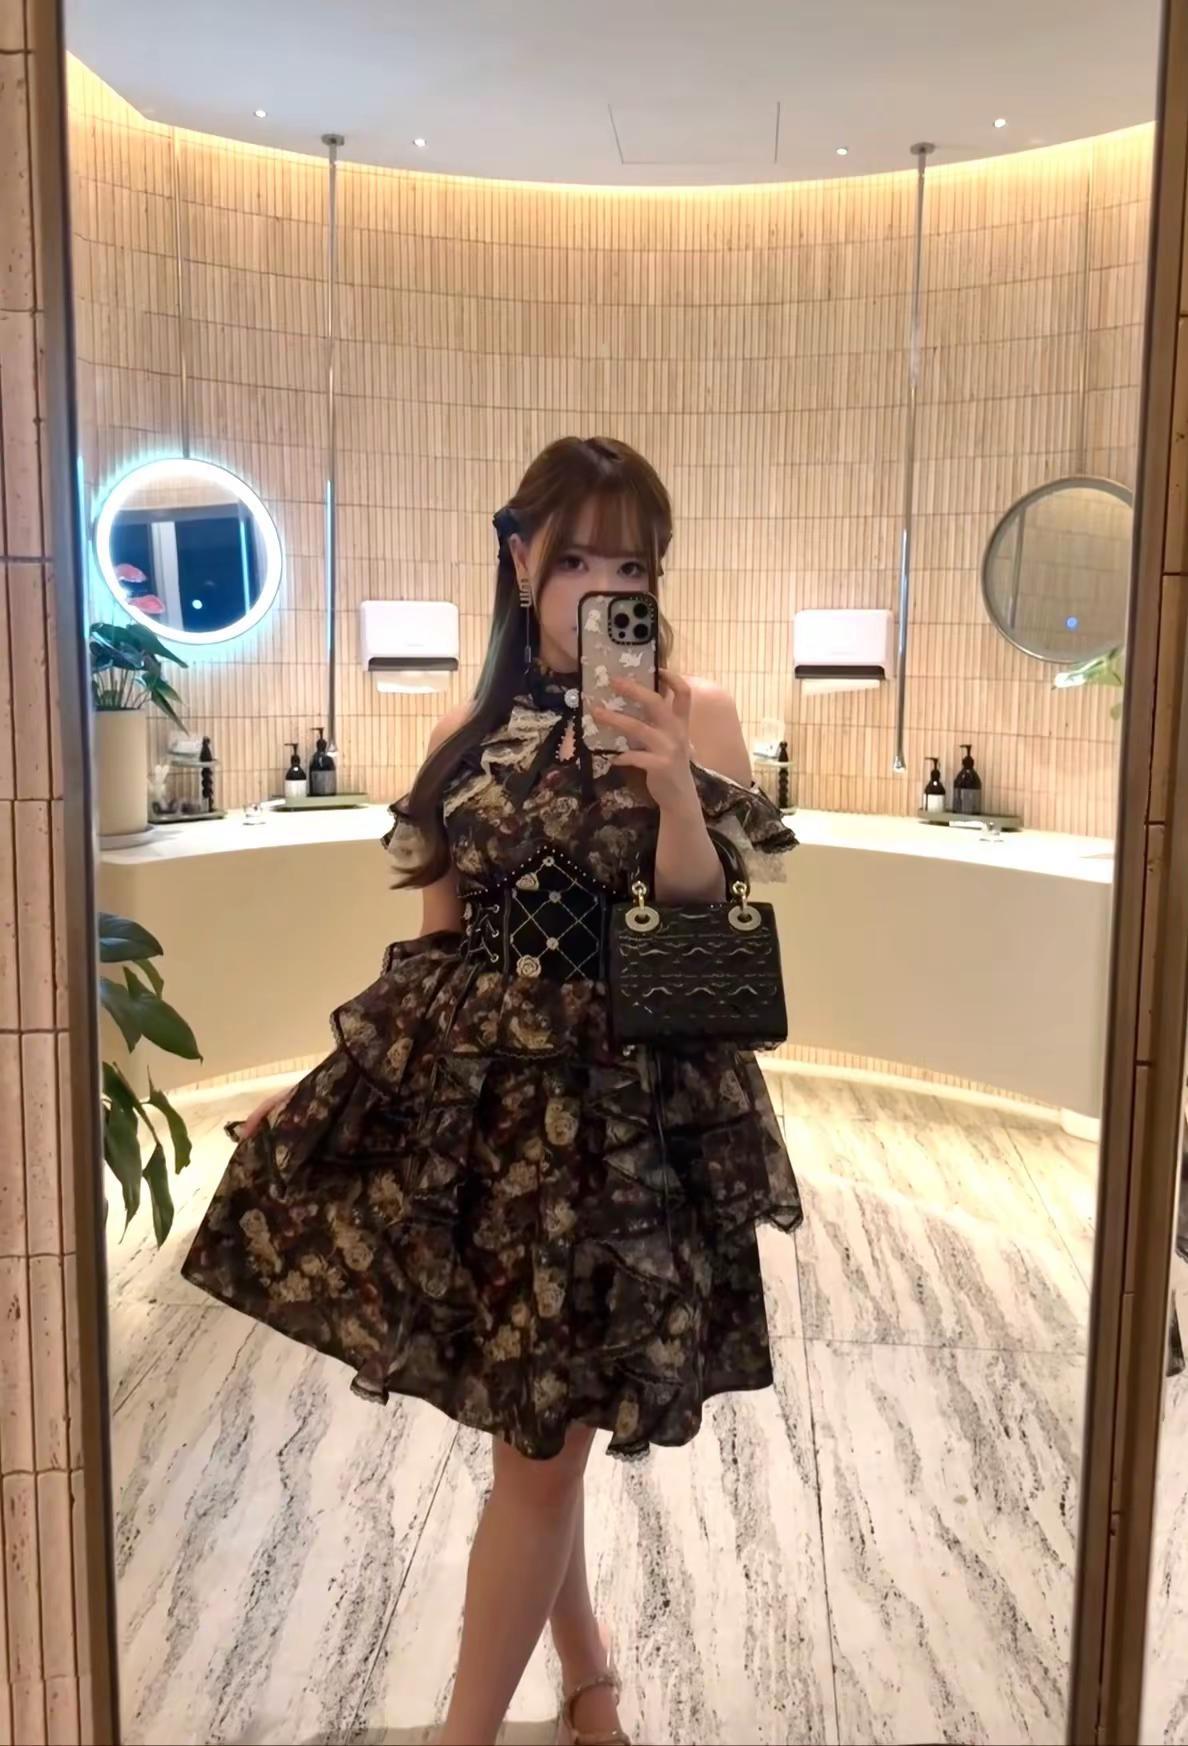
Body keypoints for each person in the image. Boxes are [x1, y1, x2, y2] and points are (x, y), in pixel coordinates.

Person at [182, 436, 802, 1746]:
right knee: (537, 1428)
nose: (604, 587)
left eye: (632, 565)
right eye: (577, 559)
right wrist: (320, 1085)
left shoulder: (696, 713)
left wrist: (675, 792)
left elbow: (705, 926)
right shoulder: (462, 739)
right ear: (521, 561)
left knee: (541, 1448)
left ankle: (469, 1730)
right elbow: (435, 954)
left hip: (627, 1126)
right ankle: (589, 1671)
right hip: (496, 1130)